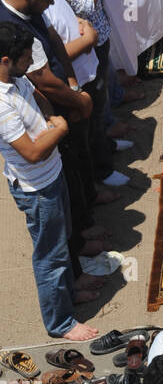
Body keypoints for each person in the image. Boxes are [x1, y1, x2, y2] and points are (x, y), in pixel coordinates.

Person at [0, 21, 95, 341]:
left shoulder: (15, 78)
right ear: (4, 60)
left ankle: (66, 295)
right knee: (50, 256)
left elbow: (38, 96)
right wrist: (60, 128)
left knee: (61, 241)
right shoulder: (1, 105)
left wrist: (50, 117)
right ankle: (60, 323)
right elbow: (32, 152)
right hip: (37, 188)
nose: (31, 63)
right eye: (26, 57)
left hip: (51, 176)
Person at [23, 0, 119, 184]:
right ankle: (102, 171)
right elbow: (84, 4)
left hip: (96, 33)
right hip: (85, 37)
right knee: (90, 105)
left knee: (99, 99)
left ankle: (107, 149)